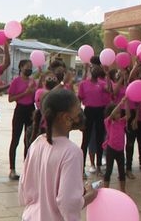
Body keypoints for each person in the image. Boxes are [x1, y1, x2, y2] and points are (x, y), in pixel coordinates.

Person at [19, 89, 98, 220]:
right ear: (66, 117)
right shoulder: (72, 152)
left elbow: (24, 188)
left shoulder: (37, 143)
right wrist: (89, 196)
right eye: (78, 111)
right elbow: (68, 203)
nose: (80, 116)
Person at [78, 64, 111, 176]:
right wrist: (79, 114)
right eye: (94, 69)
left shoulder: (102, 83)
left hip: (100, 112)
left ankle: (98, 167)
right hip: (89, 111)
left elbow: (110, 90)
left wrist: (107, 75)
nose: (96, 71)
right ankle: (81, 168)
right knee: (85, 139)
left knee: (99, 139)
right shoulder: (84, 83)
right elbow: (79, 98)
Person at [8, 59, 36, 180]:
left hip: (30, 110)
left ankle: (27, 168)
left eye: (31, 67)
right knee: (15, 139)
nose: (29, 69)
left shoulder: (32, 81)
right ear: (21, 67)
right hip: (20, 109)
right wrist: (26, 93)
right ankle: (12, 169)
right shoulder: (16, 81)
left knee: (29, 141)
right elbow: (10, 98)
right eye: (27, 67)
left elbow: (36, 97)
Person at [102, 97, 129, 192]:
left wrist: (126, 103)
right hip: (111, 149)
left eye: (120, 113)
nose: (119, 114)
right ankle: (106, 190)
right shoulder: (108, 122)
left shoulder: (121, 122)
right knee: (108, 170)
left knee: (122, 171)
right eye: (117, 113)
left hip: (120, 150)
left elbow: (128, 116)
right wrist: (120, 103)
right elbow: (113, 113)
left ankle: (123, 190)